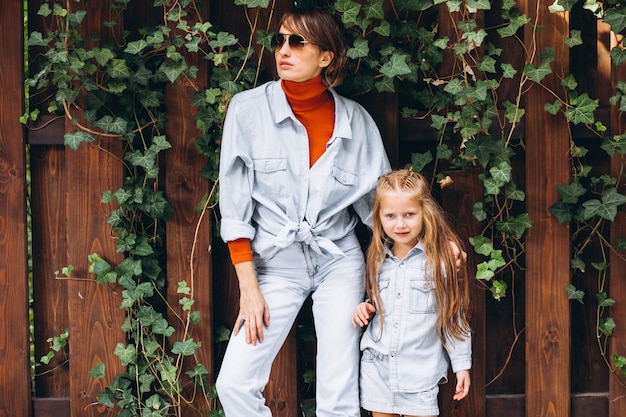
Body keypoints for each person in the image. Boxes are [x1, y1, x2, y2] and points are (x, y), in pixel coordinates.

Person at [215, 7, 391, 417]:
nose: (284, 51)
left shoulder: (357, 122)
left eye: (298, 42)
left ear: (326, 57)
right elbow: (235, 204)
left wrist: (438, 245)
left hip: (339, 262)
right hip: (275, 264)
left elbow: (383, 207)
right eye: (280, 40)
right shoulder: (247, 110)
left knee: (338, 393)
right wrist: (248, 287)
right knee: (234, 383)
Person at [351, 169, 472, 417]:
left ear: (424, 213)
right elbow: (376, 303)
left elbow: (453, 317)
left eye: (409, 214)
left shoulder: (440, 262)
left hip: (420, 373)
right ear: (379, 218)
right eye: (391, 215)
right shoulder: (376, 260)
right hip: (379, 372)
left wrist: (461, 366)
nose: (400, 223)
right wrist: (364, 307)